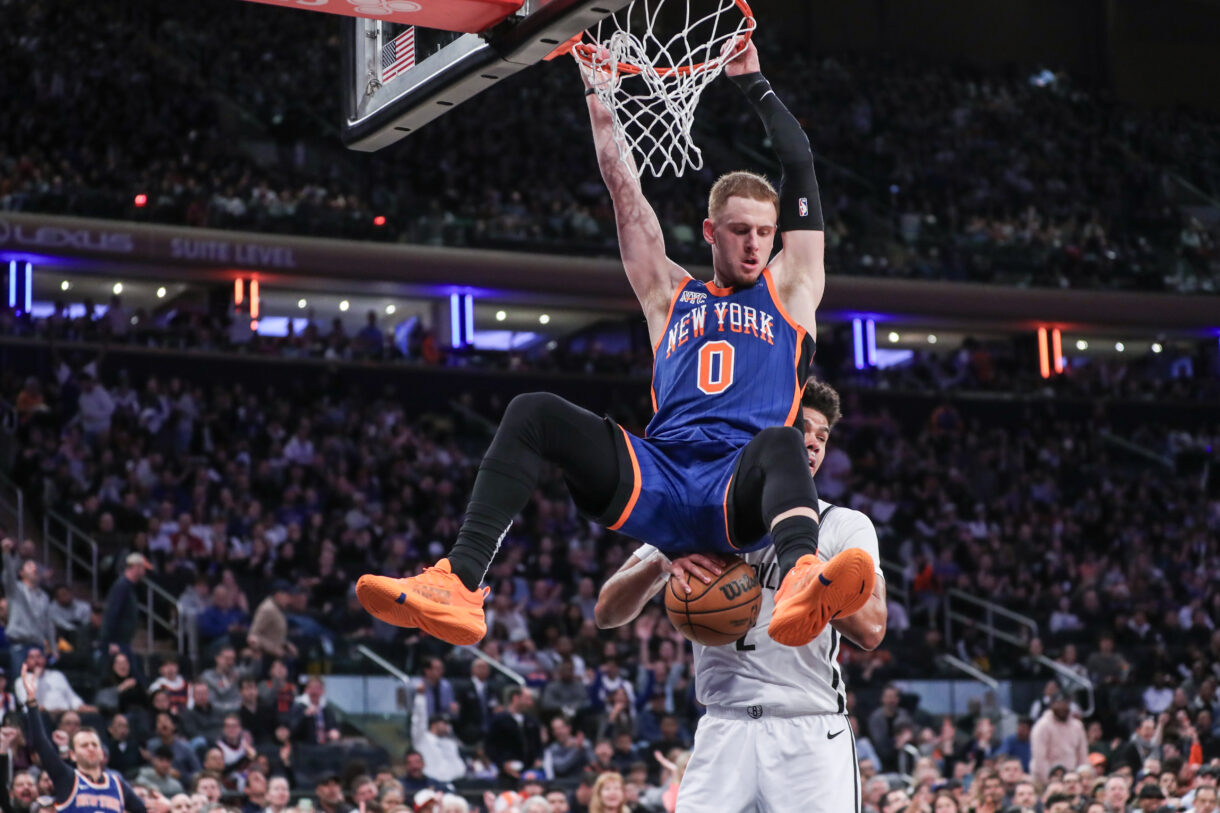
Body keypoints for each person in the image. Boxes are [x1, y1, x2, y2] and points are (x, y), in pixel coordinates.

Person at [355, 39, 875, 651]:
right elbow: (625, 196)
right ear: (710, 231)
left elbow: (802, 169)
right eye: (740, 231)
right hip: (660, 475)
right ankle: (460, 586)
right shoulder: (669, 293)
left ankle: (800, 577)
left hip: (739, 486)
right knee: (533, 412)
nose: (756, 244)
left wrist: (755, 85)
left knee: (783, 439)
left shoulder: (791, 287)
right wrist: (600, 96)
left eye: (766, 231)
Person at [595, 380, 886, 812]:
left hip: (806, 729)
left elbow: (873, 628)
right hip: (723, 728)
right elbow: (606, 611)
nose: (811, 444)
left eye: (822, 438)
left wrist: (819, 590)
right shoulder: (701, 514)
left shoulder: (842, 525)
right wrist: (661, 563)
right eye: (801, 429)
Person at [20, 664, 161, 813]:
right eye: (84, 745)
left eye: (94, 744)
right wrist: (31, 702)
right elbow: (40, 743)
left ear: (102, 752)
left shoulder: (117, 784)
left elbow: (144, 810)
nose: (91, 748)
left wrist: (166, 807)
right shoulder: (67, 778)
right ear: (72, 755)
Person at [2, 538, 56, 677]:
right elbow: (8, 575)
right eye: (30, 566)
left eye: (35, 566)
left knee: (40, 683)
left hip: (38, 645)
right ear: (21, 573)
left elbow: (48, 623)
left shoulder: (43, 596)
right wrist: (7, 554)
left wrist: (53, 647)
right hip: (19, 645)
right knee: (21, 682)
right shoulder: (15, 591)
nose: (35, 568)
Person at [410, 683, 465, 784]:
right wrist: (420, 697)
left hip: (452, 784)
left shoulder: (450, 743)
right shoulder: (422, 738)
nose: (447, 726)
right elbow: (419, 720)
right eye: (444, 723)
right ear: (434, 724)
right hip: (429, 783)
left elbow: (459, 767)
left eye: (448, 723)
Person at [1030, 693, 1088, 786]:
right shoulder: (1042, 726)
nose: (1062, 707)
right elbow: (1039, 759)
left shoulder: (1077, 726)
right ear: (1051, 705)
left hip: (1072, 778)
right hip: (1047, 779)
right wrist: (1049, 782)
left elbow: (1082, 756)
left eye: (1065, 704)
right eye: (1058, 704)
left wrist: (1081, 779)